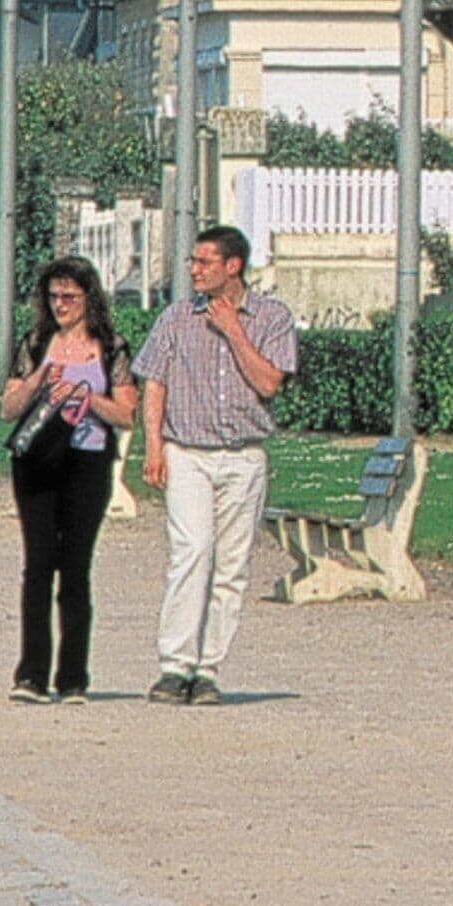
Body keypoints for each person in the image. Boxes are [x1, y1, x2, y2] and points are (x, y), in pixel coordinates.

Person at [137, 226, 294, 706]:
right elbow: (154, 383)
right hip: (188, 452)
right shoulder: (177, 318)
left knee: (231, 565)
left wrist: (234, 331)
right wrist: (153, 447)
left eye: (205, 262)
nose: (194, 270)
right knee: (192, 551)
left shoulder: (272, 317)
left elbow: (269, 382)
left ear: (233, 266)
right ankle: (174, 664)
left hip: (244, 455)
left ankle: (207, 669)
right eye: (192, 261)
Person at [0, 257, 138, 704]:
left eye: (69, 297)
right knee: (38, 564)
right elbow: (9, 407)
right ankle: (32, 674)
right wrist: (42, 379)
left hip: (87, 460)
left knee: (75, 568)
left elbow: (127, 413)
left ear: (88, 299)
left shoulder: (111, 347)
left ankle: (73, 676)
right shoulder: (37, 342)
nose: (60, 305)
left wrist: (87, 397)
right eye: (53, 296)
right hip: (38, 461)